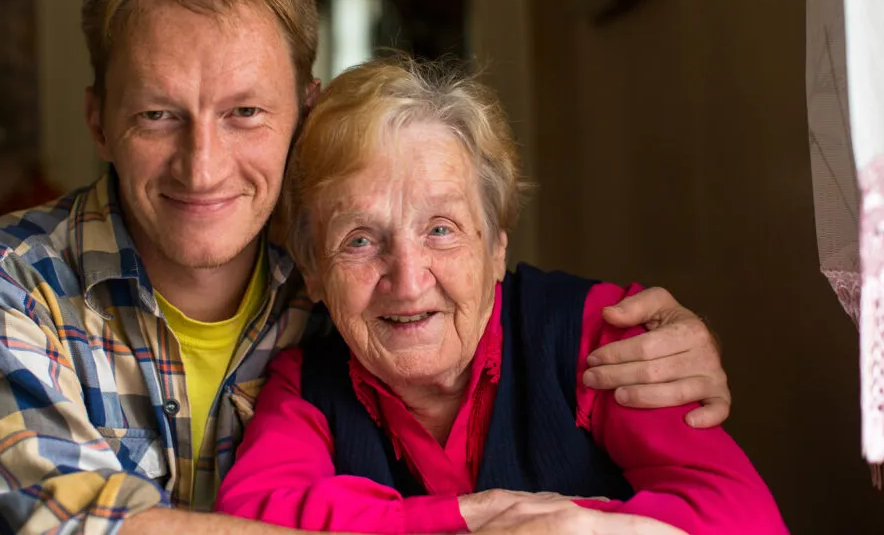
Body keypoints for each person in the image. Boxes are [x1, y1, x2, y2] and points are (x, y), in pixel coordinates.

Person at [0, 0, 729, 533]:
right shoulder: (1, 281)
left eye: (245, 113)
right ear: (99, 119)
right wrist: (476, 523)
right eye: (158, 115)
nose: (203, 166)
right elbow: (66, 526)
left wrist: (659, 347)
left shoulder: (345, 279)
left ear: (304, 112)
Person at [215, 56, 787, 534]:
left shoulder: (596, 332)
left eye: (441, 229)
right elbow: (249, 517)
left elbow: (747, 519)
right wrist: (471, 516)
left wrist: (574, 527)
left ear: (496, 249)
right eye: (360, 240)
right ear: (313, 273)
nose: (409, 280)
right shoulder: (305, 384)